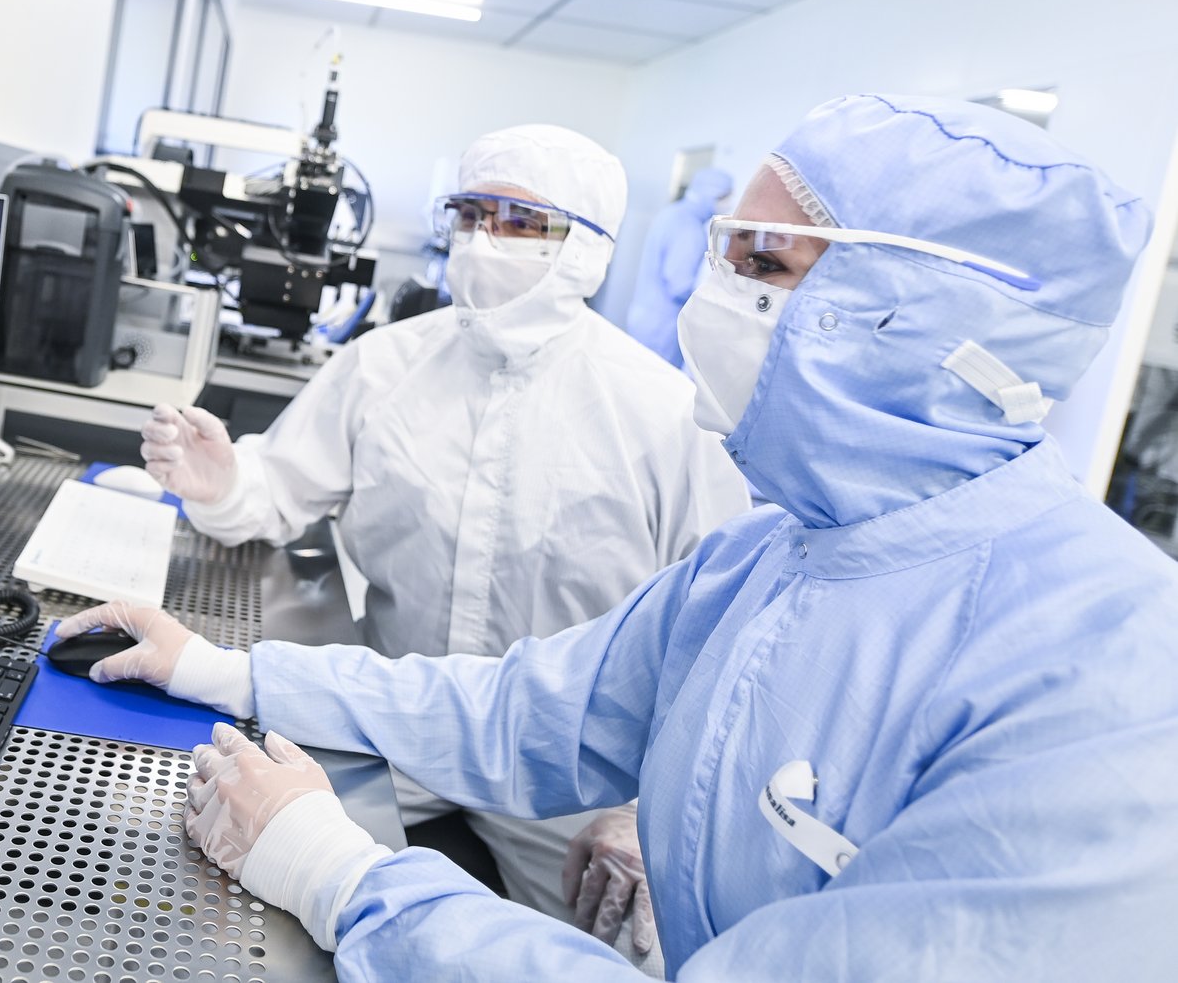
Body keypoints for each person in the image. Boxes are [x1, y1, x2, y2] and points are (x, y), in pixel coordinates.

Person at [64, 94, 1178, 978]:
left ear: (925, 315)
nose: (713, 296)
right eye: (721, 250)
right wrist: (218, 667)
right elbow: (523, 711)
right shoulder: (777, 554)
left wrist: (337, 873)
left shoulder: (1113, 676)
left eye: (765, 266)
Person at [136, 124, 749, 959]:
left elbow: (717, 636)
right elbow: (275, 489)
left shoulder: (665, 414)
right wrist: (224, 484)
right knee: (246, 905)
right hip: (393, 722)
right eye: (468, 213)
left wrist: (646, 810)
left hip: (576, 784)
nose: (482, 239)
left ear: (590, 247)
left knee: (614, 947)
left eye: (519, 221)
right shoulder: (381, 367)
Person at [623, 167, 734, 367]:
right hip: (662, 326)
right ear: (711, 194)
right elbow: (679, 285)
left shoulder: (671, 213)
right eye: (724, 197)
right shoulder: (689, 229)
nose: (727, 203)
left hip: (643, 315)